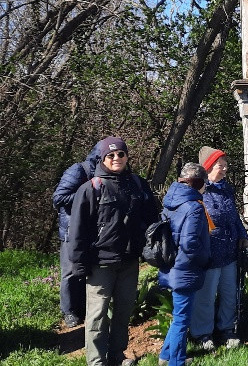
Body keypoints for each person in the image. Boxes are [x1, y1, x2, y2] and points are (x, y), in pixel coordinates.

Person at [67, 137, 158, 366]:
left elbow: (151, 219)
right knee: (97, 316)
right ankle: (96, 361)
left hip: (129, 261)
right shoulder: (90, 189)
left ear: (127, 156)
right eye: (111, 155)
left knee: (123, 312)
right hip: (100, 263)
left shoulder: (138, 184)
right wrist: (78, 265)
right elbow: (77, 231)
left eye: (121, 154)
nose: (116, 158)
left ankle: (117, 355)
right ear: (102, 158)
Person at [190, 146, 248, 350]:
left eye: (225, 166)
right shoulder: (198, 190)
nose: (224, 169)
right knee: (206, 296)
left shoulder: (226, 189)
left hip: (229, 250)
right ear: (207, 168)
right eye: (219, 166)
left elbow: (234, 216)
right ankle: (203, 334)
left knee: (228, 293)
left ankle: (227, 329)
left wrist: (241, 234)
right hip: (209, 251)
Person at [158, 163, 212, 366]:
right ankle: (177, 361)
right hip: (186, 268)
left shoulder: (170, 201)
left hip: (171, 265)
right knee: (182, 319)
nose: (206, 187)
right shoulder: (194, 207)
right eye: (204, 183)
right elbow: (190, 243)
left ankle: (165, 355)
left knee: (179, 314)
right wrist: (204, 260)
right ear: (197, 183)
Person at [52, 141, 101, 328]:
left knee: (85, 270)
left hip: (91, 231)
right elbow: (58, 198)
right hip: (71, 231)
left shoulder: (104, 173)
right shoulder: (78, 171)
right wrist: (88, 194)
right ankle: (68, 311)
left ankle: (82, 308)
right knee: (70, 272)